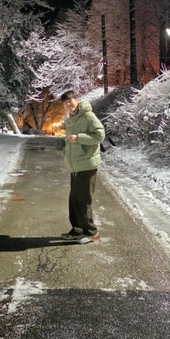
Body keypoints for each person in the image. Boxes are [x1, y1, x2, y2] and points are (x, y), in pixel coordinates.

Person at [60, 90, 105, 244]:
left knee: (83, 200)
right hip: (76, 166)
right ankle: (77, 230)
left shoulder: (88, 116)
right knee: (74, 200)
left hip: (87, 164)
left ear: (77, 100)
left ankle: (91, 232)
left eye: (70, 101)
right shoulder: (71, 119)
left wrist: (79, 138)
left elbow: (100, 135)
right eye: (65, 103)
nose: (68, 104)